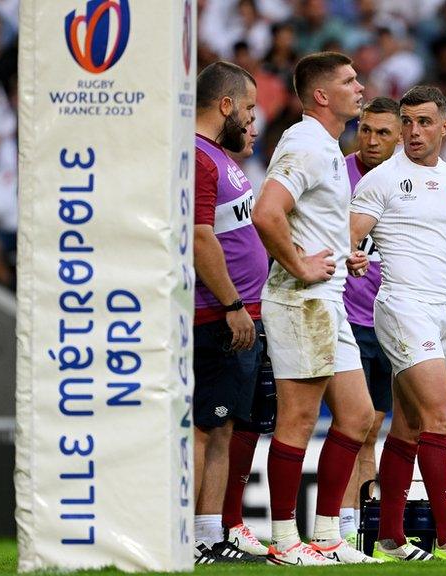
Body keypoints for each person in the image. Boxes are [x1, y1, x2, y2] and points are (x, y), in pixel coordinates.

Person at [349, 85, 446, 562]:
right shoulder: (381, 180)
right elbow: (349, 234)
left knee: (412, 425)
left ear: (444, 127)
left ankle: (391, 536)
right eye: (408, 122)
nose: (413, 132)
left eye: (423, 122)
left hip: (440, 311)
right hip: (400, 307)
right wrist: (351, 255)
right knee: (442, 415)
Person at [250, 51, 379, 565]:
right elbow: (267, 212)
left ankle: (326, 535)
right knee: (298, 419)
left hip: (326, 300)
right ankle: (284, 540)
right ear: (322, 95)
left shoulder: (324, 146)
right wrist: (301, 265)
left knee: (359, 415)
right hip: (301, 300)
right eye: (350, 81)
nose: (360, 87)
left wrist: (336, 253)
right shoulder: (306, 143)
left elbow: (298, 219)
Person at [191, 60, 267, 565]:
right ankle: (189, 538)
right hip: (217, 316)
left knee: (220, 428)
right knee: (204, 427)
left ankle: (208, 532)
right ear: (225, 105)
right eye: (249, 107)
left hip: (235, 314)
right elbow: (199, 238)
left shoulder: (219, 155)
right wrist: (232, 305)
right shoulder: (199, 158)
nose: (251, 116)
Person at [338, 96, 403, 545]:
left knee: (371, 431)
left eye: (383, 132)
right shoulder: (335, 174)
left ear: (400, 137)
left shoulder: (408, 182)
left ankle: (363, 533)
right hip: (344, 320)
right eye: (366, 129)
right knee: (351, 427)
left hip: (390, 322)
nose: (372, 140)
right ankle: (338, 528)